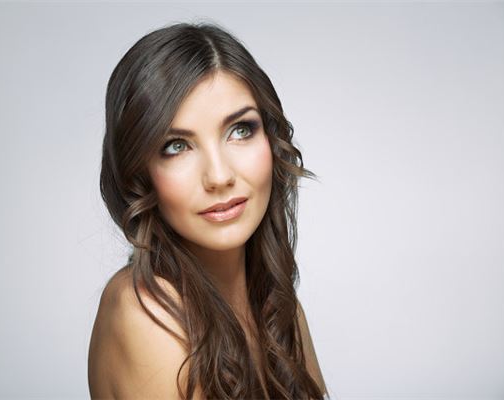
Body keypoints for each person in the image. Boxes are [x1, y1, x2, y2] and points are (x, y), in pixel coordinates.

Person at [88, 21, 329, 400]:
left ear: (271, 138)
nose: (219, 176)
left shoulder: (277, 306)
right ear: (140, 173)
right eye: (176, 146)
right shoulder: (146, 310)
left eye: (240, 130)